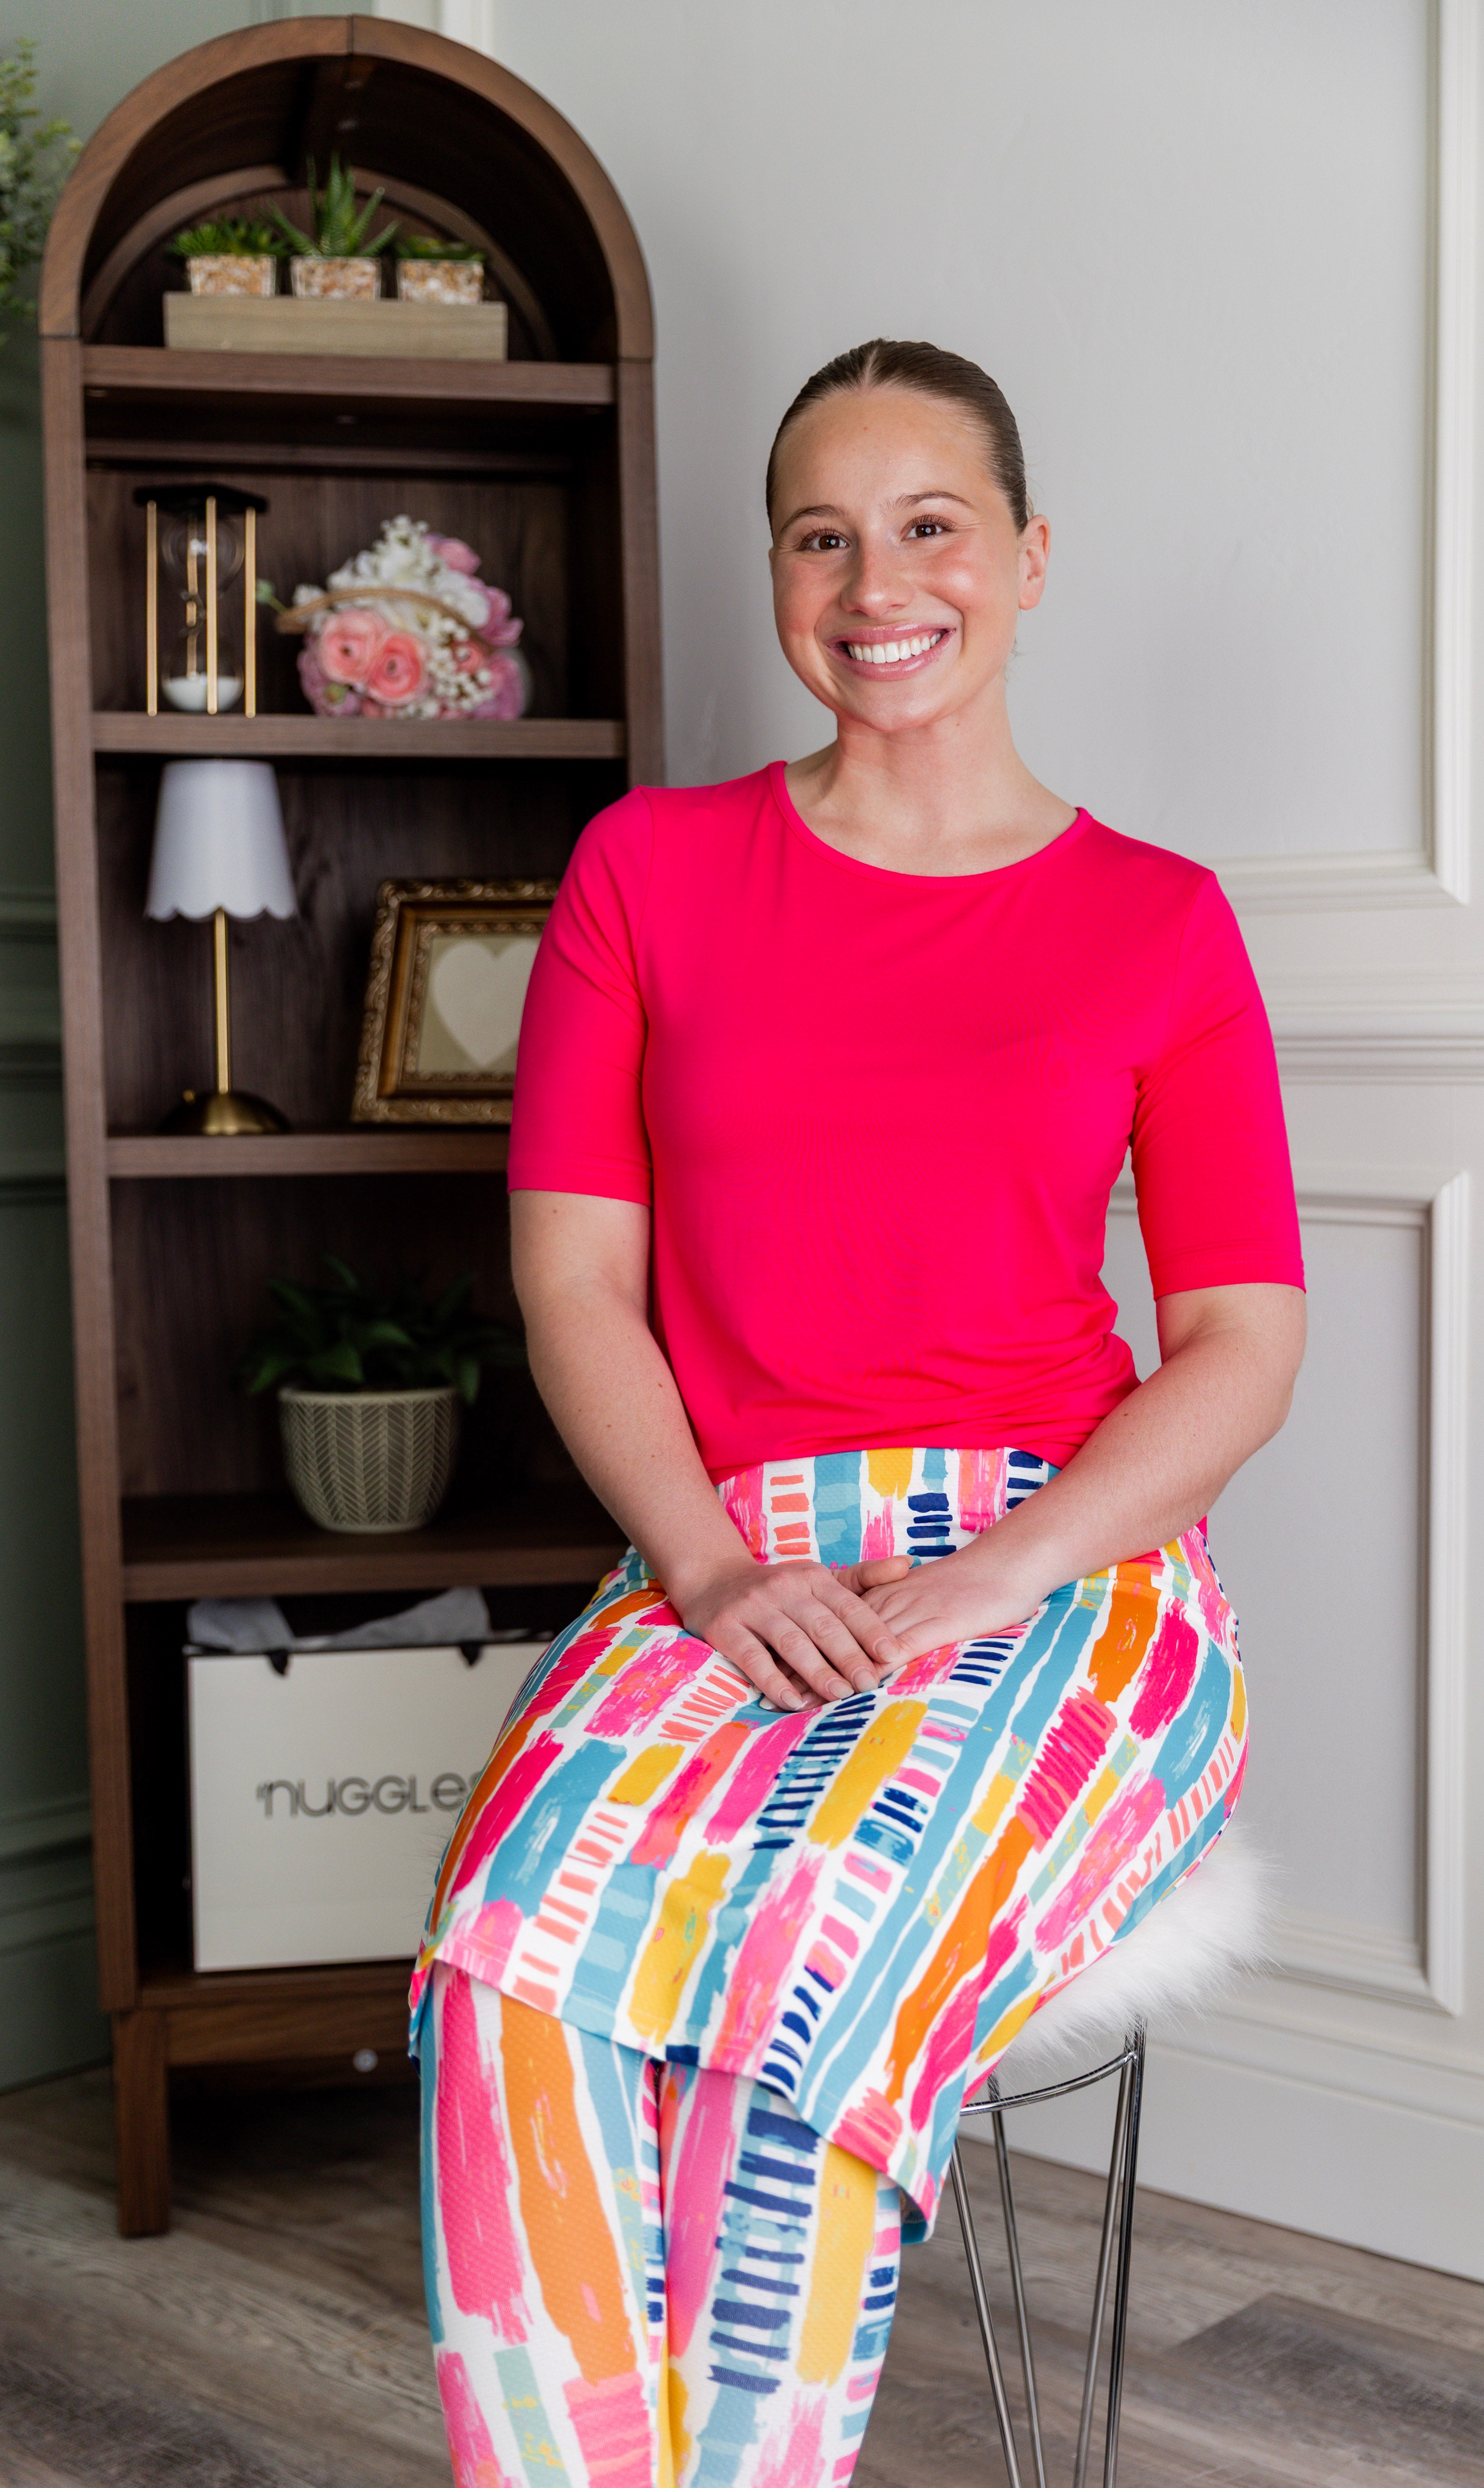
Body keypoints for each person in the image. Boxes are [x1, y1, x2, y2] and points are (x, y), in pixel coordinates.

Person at [413, 338, 1306, 2488]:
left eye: (930, 525)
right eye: (822, 531)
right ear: (778, 571)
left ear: (1026, 560)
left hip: (1057, 1562)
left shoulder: (1159, 923)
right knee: (503, 1964)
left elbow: (1244, 1341)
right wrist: (713, 1567)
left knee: (813, 1975)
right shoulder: (649, 874)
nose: (874, 578)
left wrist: (996, 1575)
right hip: (729, 1547)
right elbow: (576, 1283)